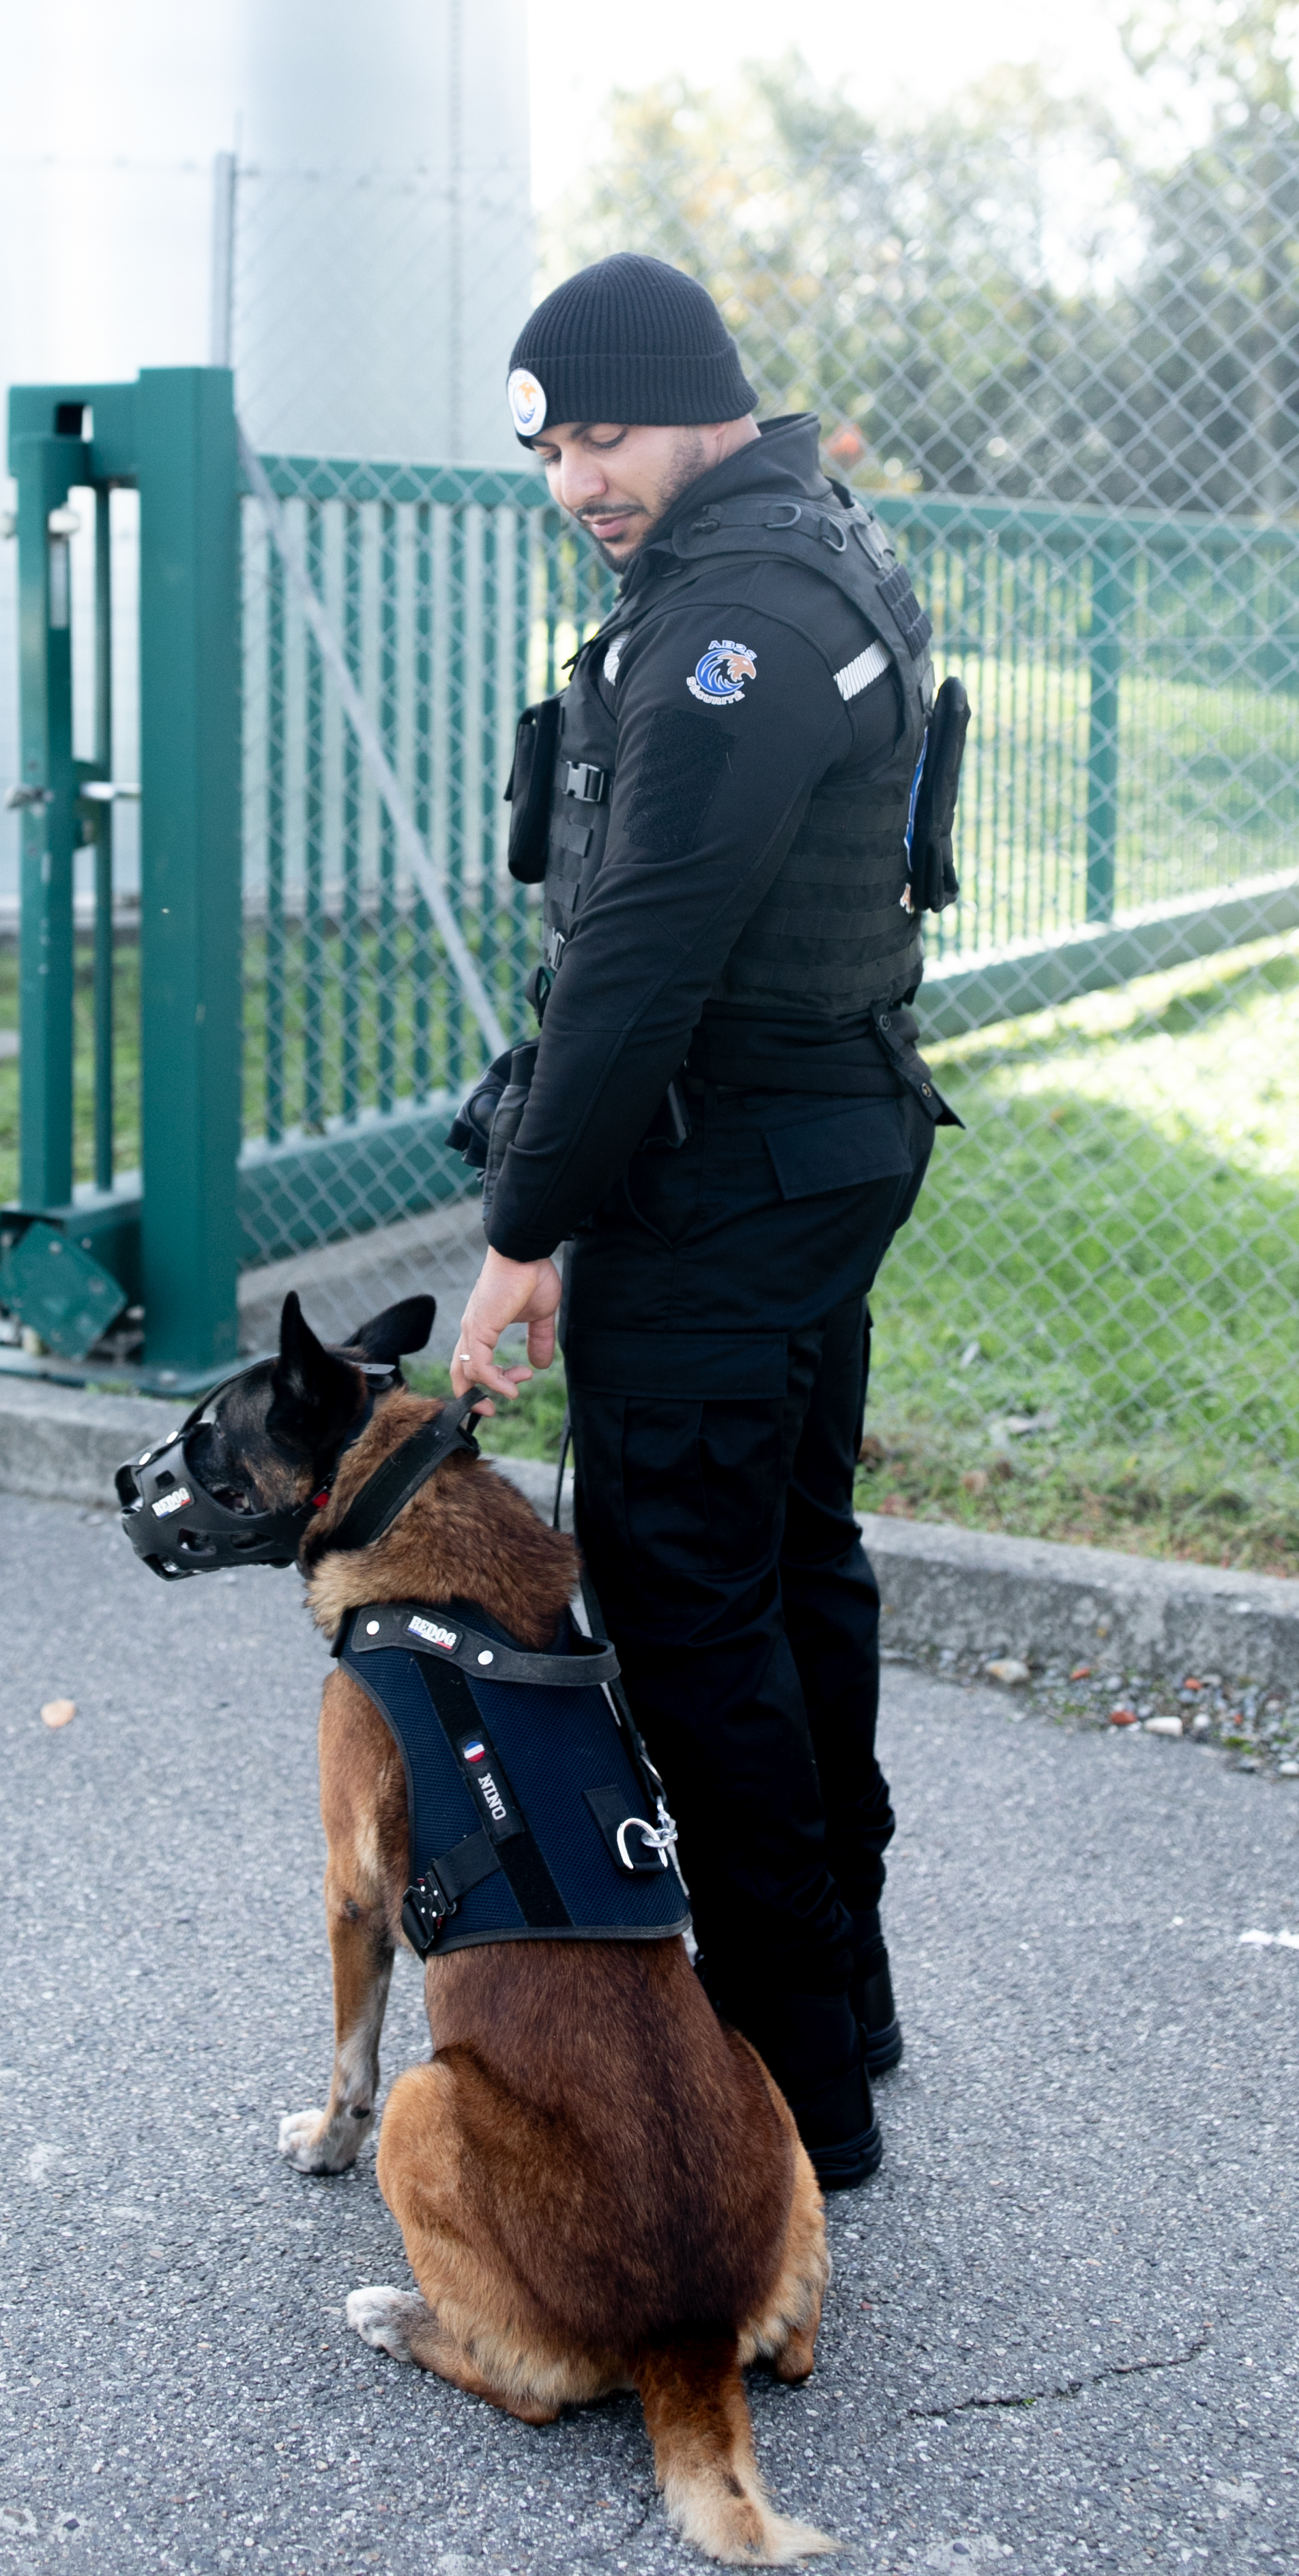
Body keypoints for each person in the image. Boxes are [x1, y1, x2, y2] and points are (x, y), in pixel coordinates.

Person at [449, 252, 960, 2190]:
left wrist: (526, 1230)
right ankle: (851, 2010)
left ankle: (791, 2110)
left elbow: (645, 952)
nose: (584, 479)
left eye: (612, 435)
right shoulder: (804, 550)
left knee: (686, 1614)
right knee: (793, 1570)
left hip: (734, 1166)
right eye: (557, 448)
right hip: (821, 1140)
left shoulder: (730, 622)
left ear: (709, 412)